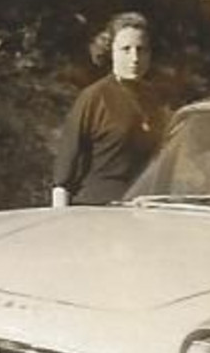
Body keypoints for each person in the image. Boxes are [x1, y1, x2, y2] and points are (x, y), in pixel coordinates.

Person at [51, 12, 170, 207]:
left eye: (142, 50)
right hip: (95, 211)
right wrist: (60, 220)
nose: (135, 58)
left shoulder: (154, 99)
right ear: (110, 52)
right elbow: (64, 174)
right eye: (126, 49)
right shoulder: (94, 98)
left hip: (141, 211)